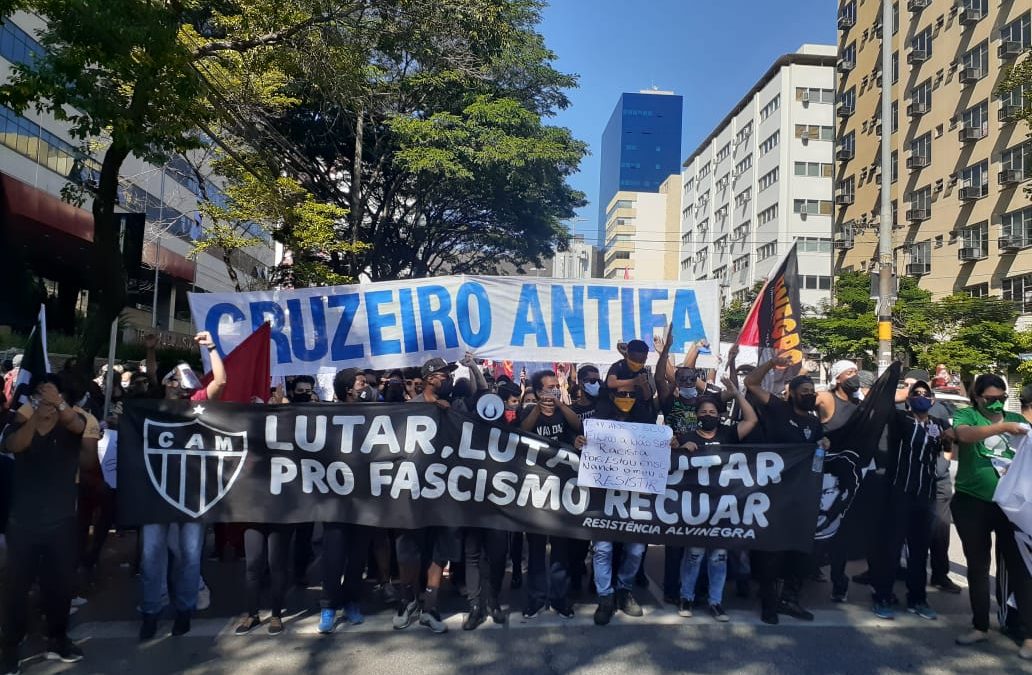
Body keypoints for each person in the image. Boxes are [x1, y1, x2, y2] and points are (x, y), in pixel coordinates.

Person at [139, 331, 226, 641]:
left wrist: (212, 348)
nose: (177, 383)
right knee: (152, 556)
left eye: (182, 378)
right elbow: (150, 376)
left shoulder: (197, 404)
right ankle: (150, 612)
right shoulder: (151, 407)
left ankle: (184, 610)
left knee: (190, 555)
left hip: (192, 495)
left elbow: (220, 384)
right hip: (156, 495)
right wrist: (151, 352)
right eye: (172, 378)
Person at [1, 374, 88, 668]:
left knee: (60, 587)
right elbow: (13, 445)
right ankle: (10, 647)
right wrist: (35, 418)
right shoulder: (19, 424)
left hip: (61, 522)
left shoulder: (71, 425)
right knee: (16, 587)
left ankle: (58, 638)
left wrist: (59, 404)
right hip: (23, 523)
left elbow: (78, 425)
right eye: (41, 396)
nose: (47, 403)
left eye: (52, 396)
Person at [950, 374, 1032, 658]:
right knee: (977, 566)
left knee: (1020, 568)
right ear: (977, 397)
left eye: (1000, 399)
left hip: (1010, 507)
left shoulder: (1017, 420)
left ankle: (1028, 633)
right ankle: (980, 626)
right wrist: (1003, 428)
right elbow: (963, 435)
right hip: (972, 502)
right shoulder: (967, 414)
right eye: (990, 399)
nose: (996, 404)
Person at [745, 356, 825, 625]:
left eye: (812, 393)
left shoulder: (814, 423)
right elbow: (751, 382)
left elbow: (816, 453)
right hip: (774, 493)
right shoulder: (778, 409)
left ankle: (790, 598)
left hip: (802, 497)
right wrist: (771, 364)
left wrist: (824, 441)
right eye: (804, 393)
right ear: (791, 395)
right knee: (772, 551)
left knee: (799, 550)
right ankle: (768, 602)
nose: (809, 397)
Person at [674, 379, 758, 624]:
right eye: (704, 413)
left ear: (719, 415)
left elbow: (751, 420)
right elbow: (673, 464)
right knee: (694, 554)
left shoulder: (728, 434)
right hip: (697, 507)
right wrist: (680, 448)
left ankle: (715, 601)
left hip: (724, 507)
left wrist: (736, 395)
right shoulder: (688, 437)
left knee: (718, 556)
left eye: (712, 412)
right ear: (697, 416)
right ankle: (686, 597)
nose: (708, 415)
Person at [870, 381, 953, 621]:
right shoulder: (900, 420)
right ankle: (882, 596)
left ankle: (917, 598)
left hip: (925, 493)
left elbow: (948, 445)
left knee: (919, 550)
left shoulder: (938, 424)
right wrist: (900, 389)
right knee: (892, 547)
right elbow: (880, 406)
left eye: (925, 394)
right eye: (915, 394)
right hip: (900, 492)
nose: (920, 398)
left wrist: (945, 461)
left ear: (933, 400)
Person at [393, 357, 465, 634]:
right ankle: (407, 600)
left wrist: (451, 416)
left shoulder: (456, 406)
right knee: (408, 551)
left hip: (445, 492)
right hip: (412, 491)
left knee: (440, 551)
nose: (447, 378)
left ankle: (430, 606)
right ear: (429, 377)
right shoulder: (408, 408)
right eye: (443, 374)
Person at [519, 369, 583, 620]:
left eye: (556, 386)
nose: (553, 390)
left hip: (561, 491)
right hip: (534, 492)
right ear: (536, 392)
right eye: (548, 387)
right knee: (535, 548)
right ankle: (535, 599)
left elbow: (577, 425)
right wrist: (538, 407)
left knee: (560, 549)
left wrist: (559, 403)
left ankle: (560, 599)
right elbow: (523, 431)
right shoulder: (528, 412)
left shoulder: (563, 413)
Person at [590, 375, 651, 626]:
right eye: (621, 394)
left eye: (631, 395)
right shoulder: (598, 424)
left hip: (635, 497)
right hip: (604, 497)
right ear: (612, 397)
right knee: (602, 548)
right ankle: (605, 596)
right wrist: (580, 442)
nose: (626, 399)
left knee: (636, 549)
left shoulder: (646, 423)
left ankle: (624, 589)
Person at [318, 369, 374, 634]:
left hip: (363, 499)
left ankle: (351, 601)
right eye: (360, 382)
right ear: (347, 388)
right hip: (334, 500)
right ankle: (329, 605)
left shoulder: (373, 414)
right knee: (333, 556)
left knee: (357, 557)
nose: (365, 385)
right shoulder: (326, 415)